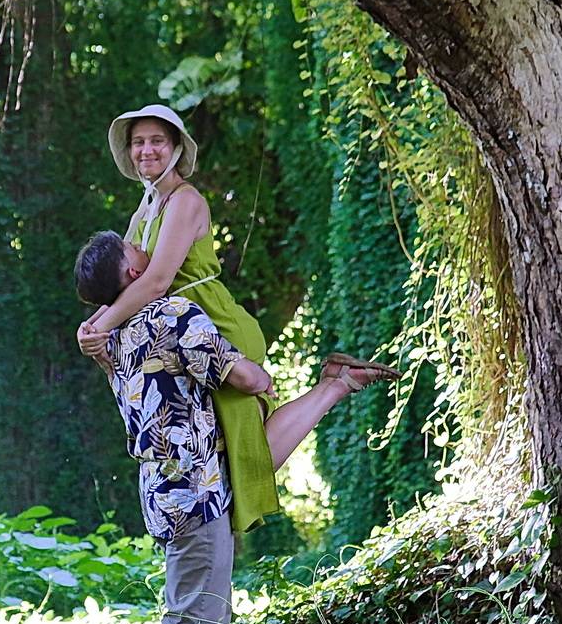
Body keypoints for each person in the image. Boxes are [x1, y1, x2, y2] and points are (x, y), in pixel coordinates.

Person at [73, 230, 393, 624]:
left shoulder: (111, 337)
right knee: (192, 615)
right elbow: (245, 377)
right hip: (195, 492)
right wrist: (261, 378)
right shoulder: (170, 315)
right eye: (135, 247)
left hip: (164, 493)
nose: (146, 246)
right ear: (135, 272)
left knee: (207, 612)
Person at [77, 104, 395, 536]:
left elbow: (155, 280)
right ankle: (336, 382)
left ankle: (334, 386)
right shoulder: (145, 208)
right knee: (227, 451)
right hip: (184, 335)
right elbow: (124, 282)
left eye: (156, 141)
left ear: (176, 148)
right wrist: (90, 327)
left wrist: (101, 328)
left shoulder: (184, 200)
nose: (146, 150)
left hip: (214, 325)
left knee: (245, 452)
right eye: (138, 142)